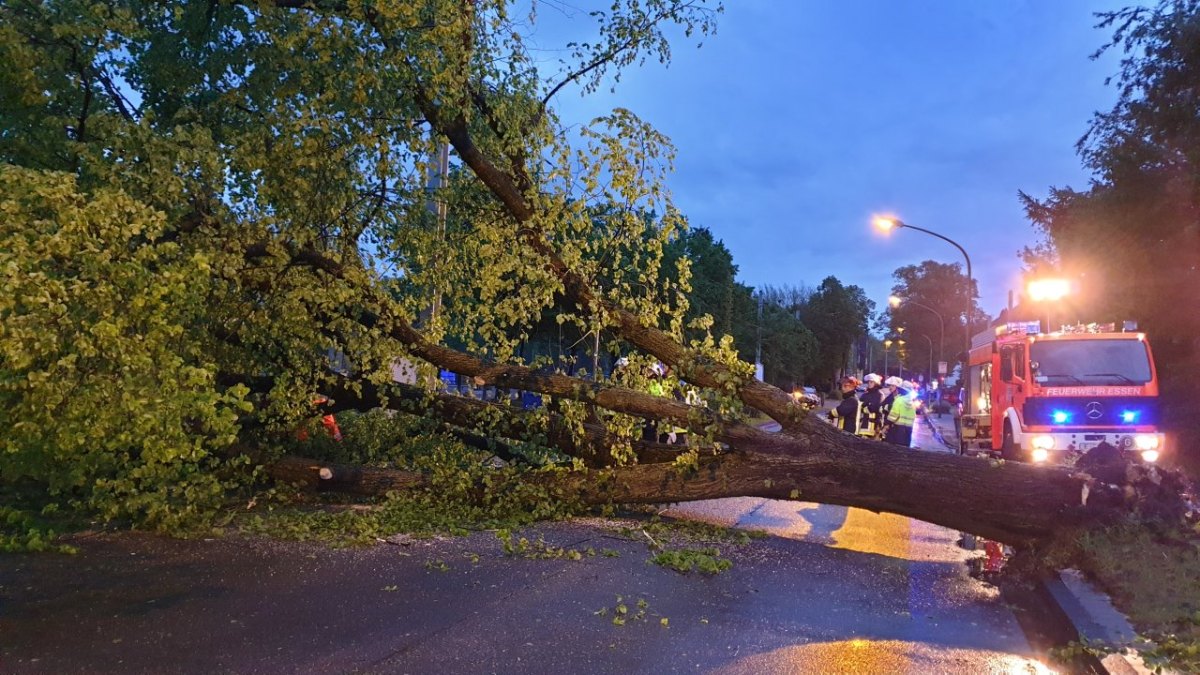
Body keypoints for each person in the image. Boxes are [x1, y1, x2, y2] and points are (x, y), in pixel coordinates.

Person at [885, 379, 918, 447]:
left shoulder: (899, 400)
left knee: (896, 449)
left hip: (898, 429)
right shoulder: (912, 403)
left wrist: (887, 424)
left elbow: (893, 416)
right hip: (908, 430)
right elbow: (914, 416)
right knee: (905, 449)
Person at [858, 373, 885, 439]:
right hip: (864, 424)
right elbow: (859, 405)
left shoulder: (879, 394)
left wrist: (865, 407)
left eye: (871, 382)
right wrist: (865, 406)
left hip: (875, 425)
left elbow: (874, 408)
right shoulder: (865, 394)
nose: (869, 383)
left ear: (876, 383)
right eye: (868, 382)